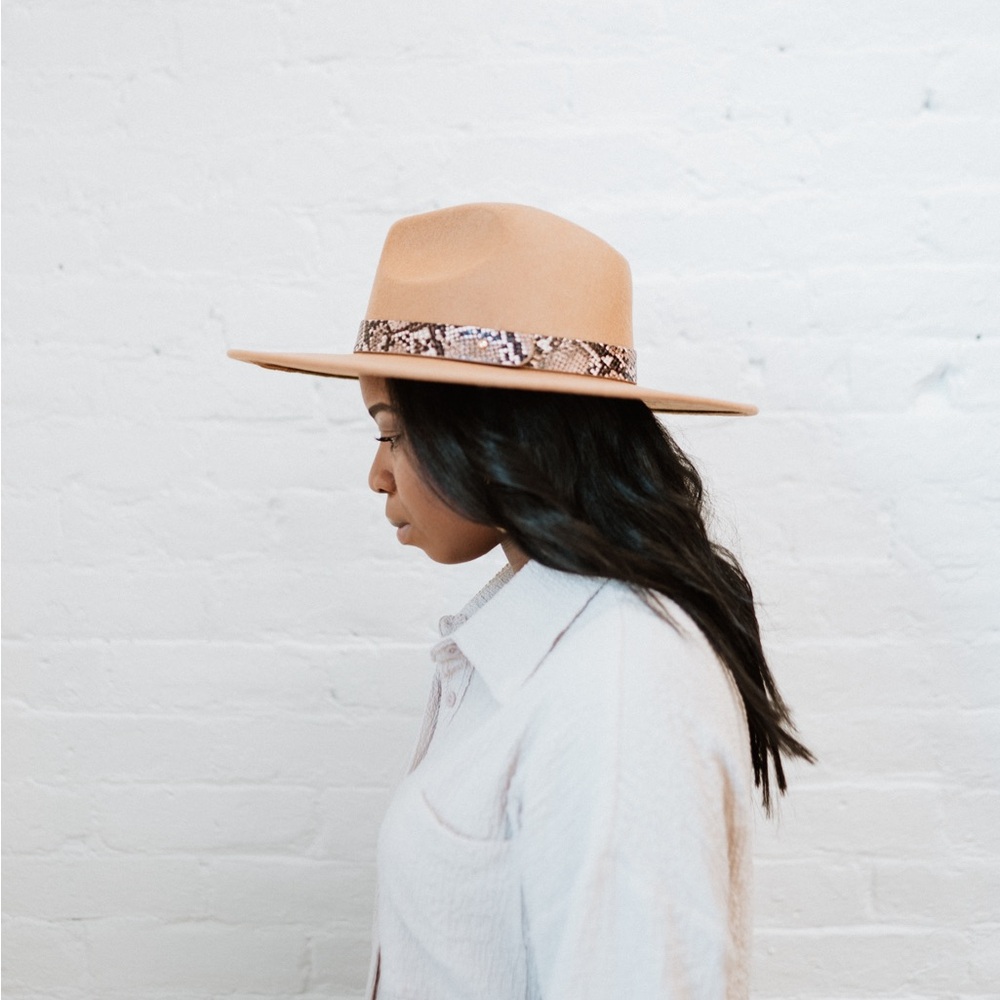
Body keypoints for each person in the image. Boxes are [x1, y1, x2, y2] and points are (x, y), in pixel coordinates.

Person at [229, 203, 812, 1000]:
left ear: (494, 433)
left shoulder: (617, 682)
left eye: (392, 430)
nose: (378, 474)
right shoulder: (543, 653)